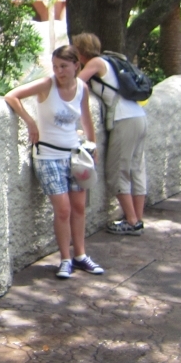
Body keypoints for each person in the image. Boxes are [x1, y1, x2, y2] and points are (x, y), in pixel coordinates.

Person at [5, 45, 102, 279]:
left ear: (76, 66)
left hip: (75, 155)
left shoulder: (82, 88)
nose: (59, 71)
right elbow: (12, 96)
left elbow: (86, 119)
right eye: (56, 66)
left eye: (64, 66)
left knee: (79, 207)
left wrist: (93, 145)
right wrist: (30, 122)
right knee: (63, 209)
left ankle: (80, 255)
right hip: (48, 155)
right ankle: (65, 259)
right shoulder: (47, 84)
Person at [73, 33, 148, 236]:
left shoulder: (96, 63)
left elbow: (76, 84)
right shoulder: (109, 61)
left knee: (118, 171)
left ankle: (131, 221)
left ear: (80, 50)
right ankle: (137, 219)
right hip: (138, 116)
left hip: (124, 120)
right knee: (136, 169)